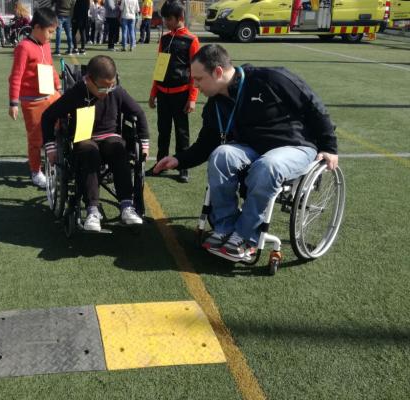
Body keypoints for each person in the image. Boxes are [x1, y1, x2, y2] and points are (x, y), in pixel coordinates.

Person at [154, 44, 339, 260]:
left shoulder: (271, 78)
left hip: (296, 147)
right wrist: (178, 160)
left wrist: (329, 146)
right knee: (221, 155)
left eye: (199, 78)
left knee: (268, 165)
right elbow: (205, 145)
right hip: (253, 150)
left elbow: (313, 105)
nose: (195, 85)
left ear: (218, 72)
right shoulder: (215, 106)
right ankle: (224, 228)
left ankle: (245, 235)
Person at [41, 55, 150, 231]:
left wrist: (144, 142)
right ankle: (92, 209)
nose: (107, 91)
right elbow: (48, 116)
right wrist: (51, 146)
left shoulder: (116, 91)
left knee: (119, 148)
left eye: (111, 85)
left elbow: (139, 113)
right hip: (85, 138)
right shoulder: (77, 92)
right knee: (89, 152)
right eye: (102, 86)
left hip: (110, 136)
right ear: (88, 80)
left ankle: (127, 206)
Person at [9, 7, 61, 188]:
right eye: (50, 32)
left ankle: (56, 158)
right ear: (37, 27)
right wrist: (13, 102)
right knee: (36, 138)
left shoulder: (44, 44)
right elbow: (16, 75)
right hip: (32, 102)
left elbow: (50, 66)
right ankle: (35, 171)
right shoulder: (24, 47)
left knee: (62, 126)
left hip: (51, 96)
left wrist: (58, 85)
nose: (51, 36)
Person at [147, 0, 199, 183]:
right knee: (163, 130)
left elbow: (195, 72)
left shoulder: (192, 40)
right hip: (163, 93)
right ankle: (160, 164)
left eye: (169, 19)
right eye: (165, 19)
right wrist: (154, 92)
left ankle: (183, 167)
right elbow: (159, 68)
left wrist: (192, 98)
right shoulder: (165, 39)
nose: (166, 23)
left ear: (180, 18)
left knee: (182, 132)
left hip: (181, 94)